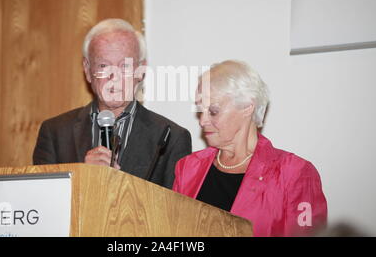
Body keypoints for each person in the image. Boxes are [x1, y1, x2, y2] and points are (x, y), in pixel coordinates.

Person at [172, 60, 327, 236]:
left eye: (213, 111)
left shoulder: (294, 174)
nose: (202, 120)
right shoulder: (188, 168)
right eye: (201, 111)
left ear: (247, 107)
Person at [33, 18, 192, 189]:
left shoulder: (171, 138)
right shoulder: (55, 133)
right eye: (103, 65)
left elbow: (175, 212)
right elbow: (44, 203)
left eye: (124, 66)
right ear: (87, 70)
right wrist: (84, 177)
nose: (114, 77)